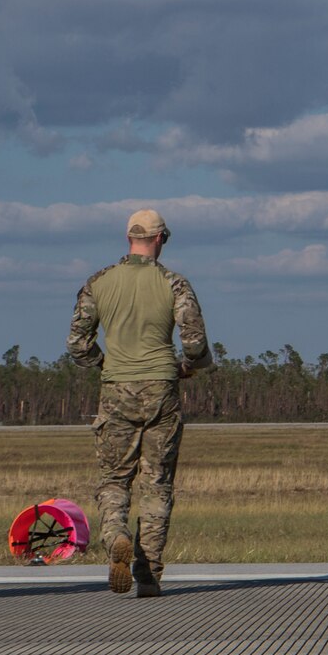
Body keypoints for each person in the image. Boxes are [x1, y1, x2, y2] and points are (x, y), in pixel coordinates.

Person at [67, 208, 212, 597]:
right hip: (162, 387)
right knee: (157, 483)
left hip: (116, 388)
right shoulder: (174, 283)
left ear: (128, 238)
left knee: (115, 480)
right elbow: (195, 342)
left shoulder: (99, 283)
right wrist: (186, 366)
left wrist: (106, 365)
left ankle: (115, 534)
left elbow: (77, 344)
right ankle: (148, 574)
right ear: (160, 238)